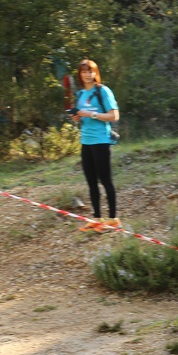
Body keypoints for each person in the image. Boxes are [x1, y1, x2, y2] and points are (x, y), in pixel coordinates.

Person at [71, 59, 121, 233]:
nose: (87, 74)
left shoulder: (103, 91)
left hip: (101, 141)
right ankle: (97, 219)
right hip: (86, 141)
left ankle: (114, 219)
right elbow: (82, 115)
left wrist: (91, 114)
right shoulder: (80, 94)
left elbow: (114, 116)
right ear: (80, 74)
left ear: (95, 73)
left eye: (90, 71)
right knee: (91, 181)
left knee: (106, 180)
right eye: (83, 71)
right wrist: (78, 117)